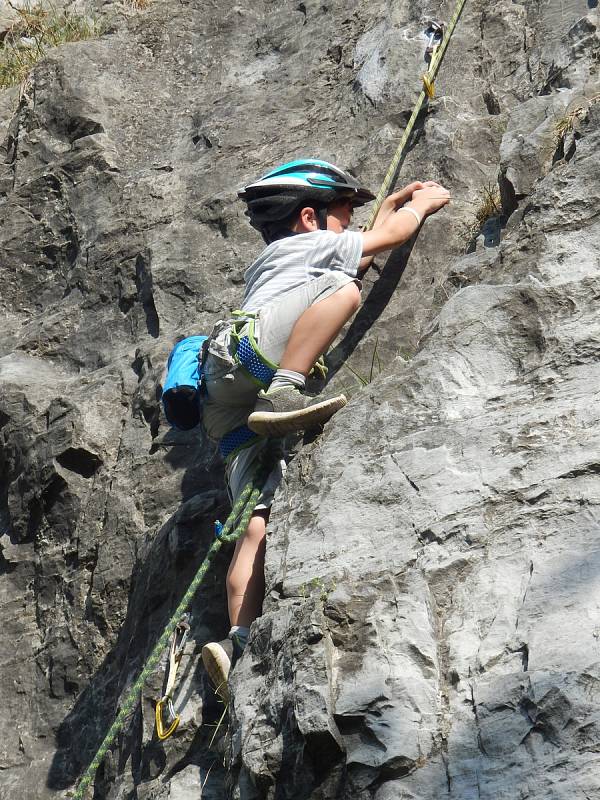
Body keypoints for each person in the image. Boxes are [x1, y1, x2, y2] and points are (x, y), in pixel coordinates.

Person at [200, 159, 449, 701]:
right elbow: (389, 239)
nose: (349, 227)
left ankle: (236, 640)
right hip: (255, 362)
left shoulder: (277, 263)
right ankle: (286, 387)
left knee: (254, 523)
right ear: (308, 217)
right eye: (343, 217)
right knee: (344, 289)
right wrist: (419, 207)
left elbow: (369, 238)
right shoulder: (309, 250)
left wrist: (377, 214)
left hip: (227, 403)